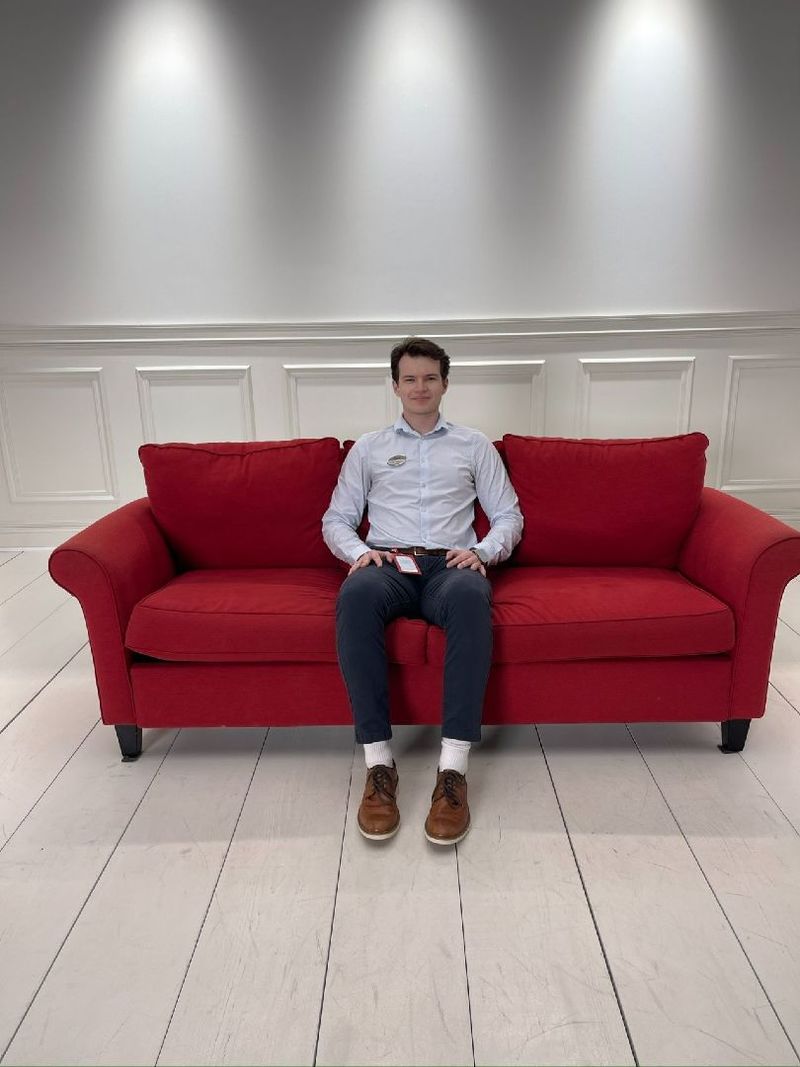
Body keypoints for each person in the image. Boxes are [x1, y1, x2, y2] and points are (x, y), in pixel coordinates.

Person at [322, 337, 523, 845]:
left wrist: (482, 551)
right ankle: (379, 765)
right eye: (409, 378)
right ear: (395, 386)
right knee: (355, 596)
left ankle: (452, 771)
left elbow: (509, 517)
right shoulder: (368, 448)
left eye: (429, 377)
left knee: (472, 599)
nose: (419, 387)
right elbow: (336, 519)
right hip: (388, 563)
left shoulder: (474, 445)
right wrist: (358, 553)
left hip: (449, 566)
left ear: (445, 384)